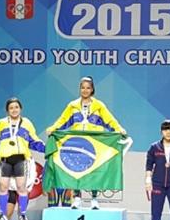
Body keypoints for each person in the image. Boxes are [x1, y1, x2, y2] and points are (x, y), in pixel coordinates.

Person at [46, 76, 126, 209]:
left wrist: (120, 130)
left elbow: (109, 120)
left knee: (94, 170)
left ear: (92, 89)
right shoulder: (72, 105)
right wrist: (53, 129)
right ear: (79, 89)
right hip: (77, 142)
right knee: (77, 169)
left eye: (88, 88)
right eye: (82, 87)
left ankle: (94, 199)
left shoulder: (99, 106)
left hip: (94, 142)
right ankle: (77, 198)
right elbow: (63, 120)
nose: (85, 90)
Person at [0, 97, 45, 220]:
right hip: (6, 160)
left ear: (21, 109)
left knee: (21, 187)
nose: (14, 110)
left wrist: (47, 148)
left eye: (16, 107)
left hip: (20, 160)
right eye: (11, 108)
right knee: (3, 187)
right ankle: (3, 215)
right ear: (7, 110)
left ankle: (22, 216)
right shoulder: (2, 123)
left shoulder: (27, 123)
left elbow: (33, 140)